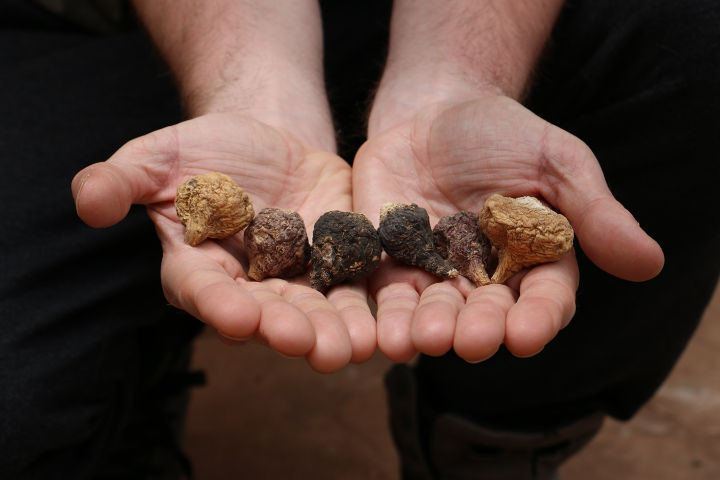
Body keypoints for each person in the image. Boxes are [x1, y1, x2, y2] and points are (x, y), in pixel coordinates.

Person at [1, 0, 717, 479]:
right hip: (97, 34)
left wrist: (455, 80)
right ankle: (126, 393)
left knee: (688, 29)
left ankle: (494, 438)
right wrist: (254, 93)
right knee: (20, 407)